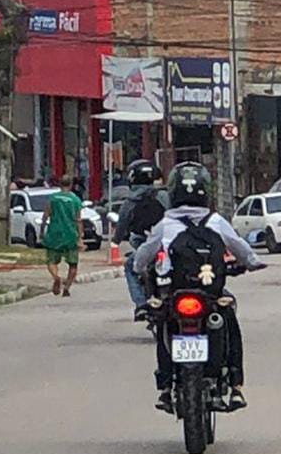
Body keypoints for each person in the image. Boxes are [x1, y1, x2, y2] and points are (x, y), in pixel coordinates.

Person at [133, 162, 266, 413]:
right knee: (229, 323)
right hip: (211, 293)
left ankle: (164, 388)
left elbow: (142, 258)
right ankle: (236, 387)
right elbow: (242, 249)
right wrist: (252, 263)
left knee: (163, 325)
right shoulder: (215, 221)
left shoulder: (165, 224)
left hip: (174, 292)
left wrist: (140, 269)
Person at [110, 160, 169, 321]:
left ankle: (141, 304)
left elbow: (122, 225)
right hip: (167, 242)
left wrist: (116, 239)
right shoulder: (163, 196)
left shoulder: (130, 201)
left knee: (130, 267)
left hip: (143, 242)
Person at [41, 174, 84, 298]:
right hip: (70, 235)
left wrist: (42, 230)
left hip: (54, 234)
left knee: (51, 261)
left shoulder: (53, 198)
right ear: (71, 185)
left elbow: (46, 215)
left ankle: (56, 277)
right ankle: (67, 287)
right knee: (73, 264)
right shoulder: (76, 200)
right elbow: (78, 220)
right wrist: (80, 237)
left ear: (60, 185)